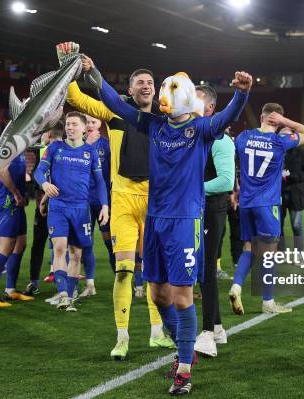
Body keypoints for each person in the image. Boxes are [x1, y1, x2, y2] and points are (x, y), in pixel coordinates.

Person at [93, 56, 252, 394]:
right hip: (155, 220)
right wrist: (93, 71)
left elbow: (228, 116)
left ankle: (183, 369)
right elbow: (111, 102)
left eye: (169, 88)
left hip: (184, 222)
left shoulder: (203, 129)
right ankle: (184, 344)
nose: (163, 94)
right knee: (157, 293)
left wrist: (241, 94)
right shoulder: (155, 125)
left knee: (181, 295)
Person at [59, 41, 173, 359]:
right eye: (140, 82)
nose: (146, 86)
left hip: (155, 201)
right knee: (124, 271)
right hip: (122, 199)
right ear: (130, 89)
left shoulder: (166, 119)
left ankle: (156, 333)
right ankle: (121, 338)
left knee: (153, 272)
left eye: (150, 82)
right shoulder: (115, 113)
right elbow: (75, 98)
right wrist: (69, 68)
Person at [229, 103, 304, 315]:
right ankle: (268, 302)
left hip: (246, 203)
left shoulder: (243, 137)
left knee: (249, 248)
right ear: (276, 119)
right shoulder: (280, 141)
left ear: (261, 116)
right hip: (267, 203)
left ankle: (236, 286)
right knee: (269, 254)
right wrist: (285, 122)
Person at [34, 111, 109, 312]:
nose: (70, 127)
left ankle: (71, 292)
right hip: (58, 207)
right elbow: (39, 171)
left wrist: (105, 205)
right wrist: (44, 184)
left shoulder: (90, 152)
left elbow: (100, 181)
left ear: (84, 128)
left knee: (76, 253)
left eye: (74, 124)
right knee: (59, 248)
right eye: (68, 124)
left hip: (81, 208)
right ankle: (64, 295)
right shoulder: (54, 148)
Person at [193, 85, 233, 358]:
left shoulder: (220, 140)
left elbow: (227, 181)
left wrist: (192, 187)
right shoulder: (194, 135)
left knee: (206, 269)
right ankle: (218, 327)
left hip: (213, 209)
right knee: (201, 269)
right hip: (198, 208)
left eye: (194, 100)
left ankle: (206, 332)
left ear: (210, 109)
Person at [0, 145, 33, 307]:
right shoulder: (9, 146)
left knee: (20, 244)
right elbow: (0, 170)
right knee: (6, 247)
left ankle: (10, 290)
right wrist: (16, 192)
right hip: (8, 202)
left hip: (17, 203)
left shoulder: (22, 149)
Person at [24, 127, 64, 295]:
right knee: (65, 247)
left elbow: (38, 179)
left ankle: (34, 282)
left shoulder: (44, 150)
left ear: (48, 135)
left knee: (39, 244)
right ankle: (65, 287)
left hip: (45, 204)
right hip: (65, 205)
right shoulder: (72, 150)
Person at [79, 114, 114, 298]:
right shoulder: (79, 146)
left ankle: (120, 281)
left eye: (93, 122)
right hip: (83, 201)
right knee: (85, 243)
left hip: (103, 202)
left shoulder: (107, 145)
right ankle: (90, 284)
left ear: (100, 124)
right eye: (88, 122)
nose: (90, 125)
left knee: (110, 243)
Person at [279, 131, 304, 251]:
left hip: (295, 193)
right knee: (277, 227)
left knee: (296, 225)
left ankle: (299, 254)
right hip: (278, 193)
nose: (283, 137)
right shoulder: (276, 151)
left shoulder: (301, 152)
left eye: (286, 135)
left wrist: (291, 176)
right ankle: (281, 253)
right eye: (281, 135)